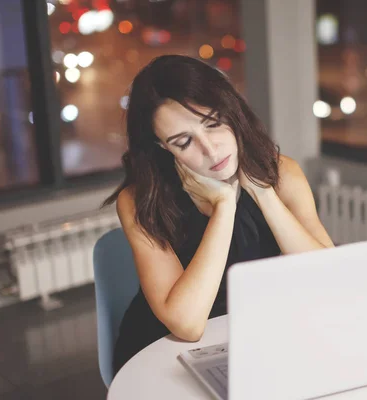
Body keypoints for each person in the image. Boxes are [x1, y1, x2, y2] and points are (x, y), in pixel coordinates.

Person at [103, 55, 334, 376]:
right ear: (162, 147)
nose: (211, 150)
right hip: (165, 350)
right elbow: (187, 324)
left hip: (253, 335)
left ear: (233, 114)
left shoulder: (284, 173)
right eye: (183, 142)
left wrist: (263, 193)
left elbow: (328, 279)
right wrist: (224, 207)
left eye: (213, 124)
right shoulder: (140, 199)